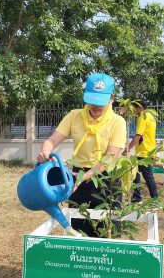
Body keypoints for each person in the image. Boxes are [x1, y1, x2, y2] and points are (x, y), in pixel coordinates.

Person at [36, 73, 126, 237]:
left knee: (109, 231)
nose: (95, 106)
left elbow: (110, 158)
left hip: (107, 179)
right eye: (92, 100)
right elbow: (52, 140)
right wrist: (45, 151)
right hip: (77, 176)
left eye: (101, 101)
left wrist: (87, 176)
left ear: (112, 97)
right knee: (79, 229)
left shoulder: (117, 122)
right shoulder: (74, 116)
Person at [121, 100, 157, 203]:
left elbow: (138, 135)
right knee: (135, 172)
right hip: (148, 150)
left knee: (148, 176)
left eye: (135, 108)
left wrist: (127, 149)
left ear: (139, 107)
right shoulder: (151, 118)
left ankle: (155, 200)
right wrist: (154, 152)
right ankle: (136, 197)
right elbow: (152, 136)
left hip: (144, 152)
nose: (134, 110)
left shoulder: (142, 118)